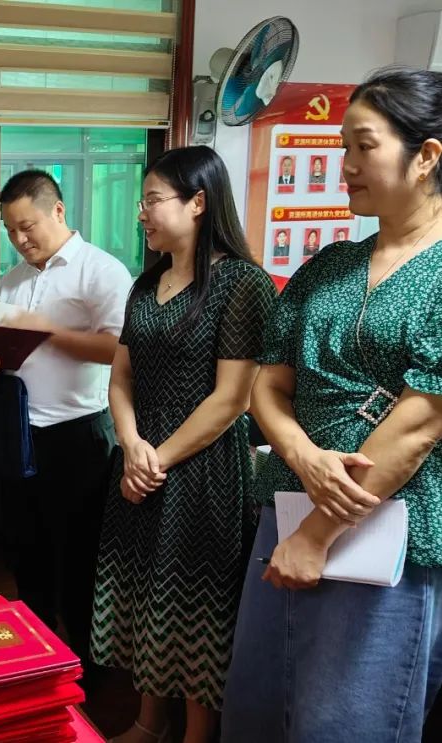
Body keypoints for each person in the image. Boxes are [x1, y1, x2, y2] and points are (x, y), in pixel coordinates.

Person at [222, 66, 442, 743]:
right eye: (341, 146)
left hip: (385, 528)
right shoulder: (328, 266)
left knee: (342, 721)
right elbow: (267, 385)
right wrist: (305, 457)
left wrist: (319, 534)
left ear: (427, 156)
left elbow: (420, 422)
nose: (344, 166)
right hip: (289, 509)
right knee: (260, 705)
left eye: (362, 146)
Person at [89, 146, 277, 743]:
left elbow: (232, 399)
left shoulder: (241, 284)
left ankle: (196, 736)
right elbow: (121, 377)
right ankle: (148, 724)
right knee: (147, 594)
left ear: (198, 202)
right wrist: (130, 444)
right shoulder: (146, 284)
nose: (141, 213)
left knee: (197, 606)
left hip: (202, 468)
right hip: (139, 457)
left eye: (152, 200)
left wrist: (156, 460)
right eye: (141, 201)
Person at [0, 169, 132, 668]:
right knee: (25, 554)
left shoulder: (101, 271)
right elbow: (14, 350)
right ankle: (38, 659)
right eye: (10, 231)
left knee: (80, 559)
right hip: (19, 434)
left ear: (58, 211)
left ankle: (88, 666)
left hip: (78, 436)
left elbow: (119, 350)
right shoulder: (12, 280)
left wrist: (46, 331)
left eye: (28, 227)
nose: (20, 240)